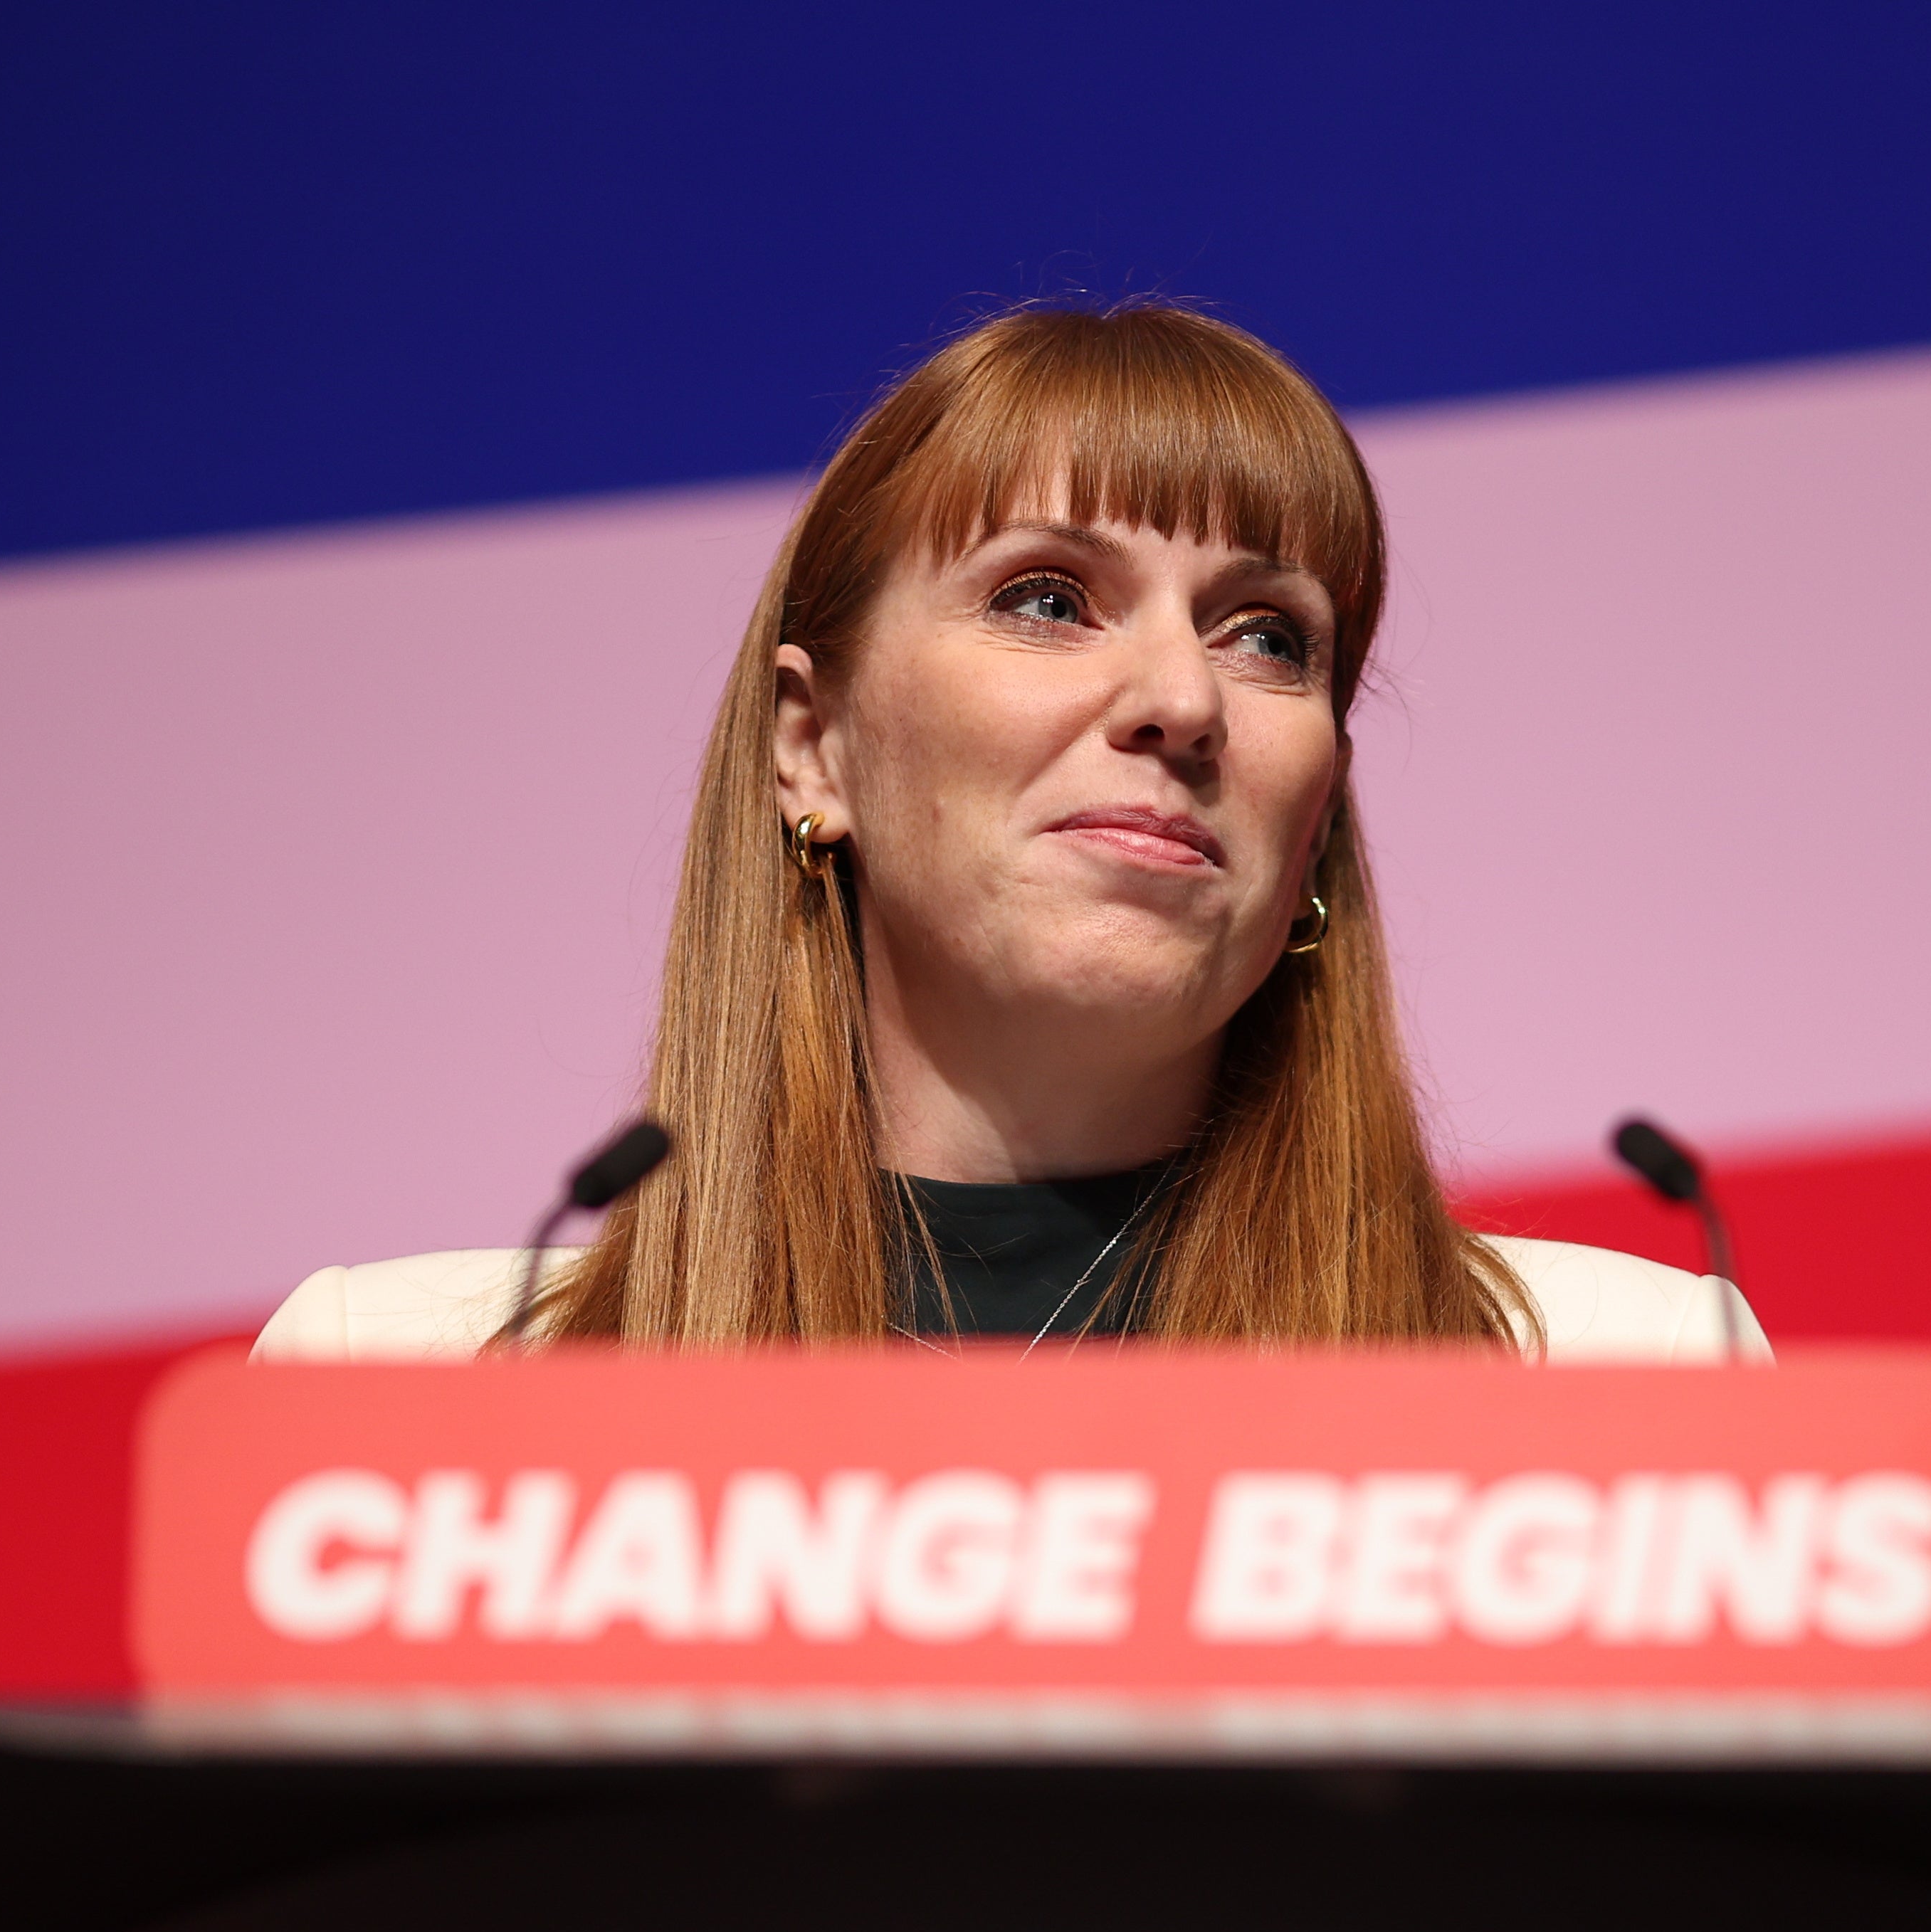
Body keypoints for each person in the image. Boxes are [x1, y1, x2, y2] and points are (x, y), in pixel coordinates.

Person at [256, 300, 1763, 1365]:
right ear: (811, 747)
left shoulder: (1627, 1389)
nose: (1183, 697)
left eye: (1268, 636)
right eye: (1048, 599)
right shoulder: (401, 1398)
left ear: (1319, 816)